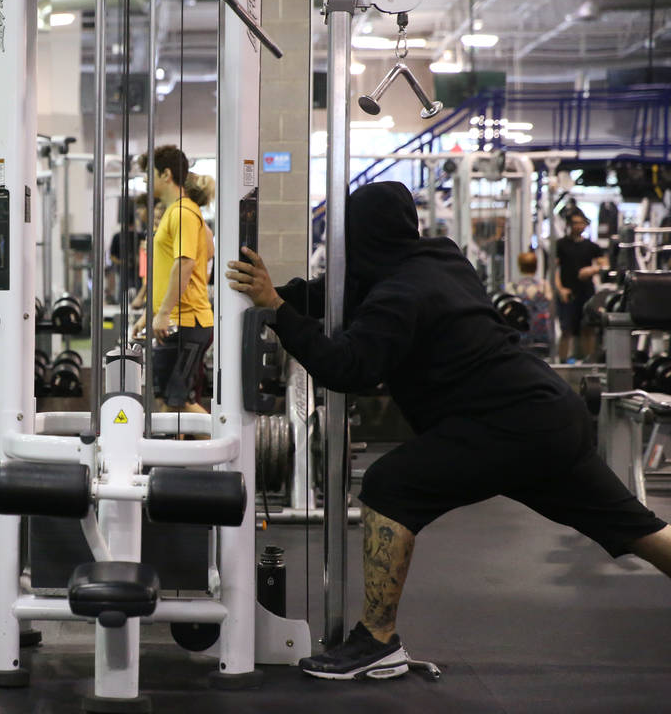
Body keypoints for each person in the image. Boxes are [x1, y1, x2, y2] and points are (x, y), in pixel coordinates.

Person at [225, 181, 671, 681]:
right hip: (548, 415)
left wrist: (281, 315)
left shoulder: (399, 292)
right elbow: (344, 298)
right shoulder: (438, 259)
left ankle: (376, 642)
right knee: (635, 528)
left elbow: (347, 369)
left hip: (506, 425)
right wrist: (277, 297)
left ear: (360, 235)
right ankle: (375, 641)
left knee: (391, 486)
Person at [130, 146, 215, 414]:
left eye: (148, 173)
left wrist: (164, 312)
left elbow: (185, 263)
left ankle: (231, 452)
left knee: (181, 403)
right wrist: (150, 312)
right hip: (175, 322)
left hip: (187, 322)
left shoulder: (182, 213)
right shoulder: (173, 212)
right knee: (171, 404)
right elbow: (169, 269)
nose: (145, 180)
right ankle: (173, 455)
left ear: (166, 174)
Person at [554, 210, 606, 362]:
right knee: (566, 329)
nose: (578, 226)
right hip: (568, 292)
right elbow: (554, 270)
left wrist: (592, 269)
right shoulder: (561, 245)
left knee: (588, 328)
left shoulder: (592, 247)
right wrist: (560, 289)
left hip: (586, 292)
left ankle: (589, 362)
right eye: (575, 223)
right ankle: (562, 362)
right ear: (569, 225)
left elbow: (605, 264)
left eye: (581, 223)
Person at [506, 250, 554, 354]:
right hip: (541, 330)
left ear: (520, 266)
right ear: (536, 266)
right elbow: (550, 307)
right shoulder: (543, 285)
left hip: (519, 330)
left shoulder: (513, 287)